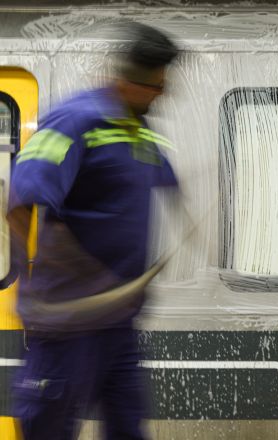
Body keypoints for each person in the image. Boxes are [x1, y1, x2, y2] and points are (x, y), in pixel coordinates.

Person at [8, 22, 179, 439]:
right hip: (69, 323)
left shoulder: (137, 131)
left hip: (117, 324)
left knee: (127, 427)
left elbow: (154, 187)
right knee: (48, 429)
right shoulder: (75, 121)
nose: (162, 96)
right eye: (155, 88)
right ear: (128, 81)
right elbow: (20, 200)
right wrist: (34, 289)